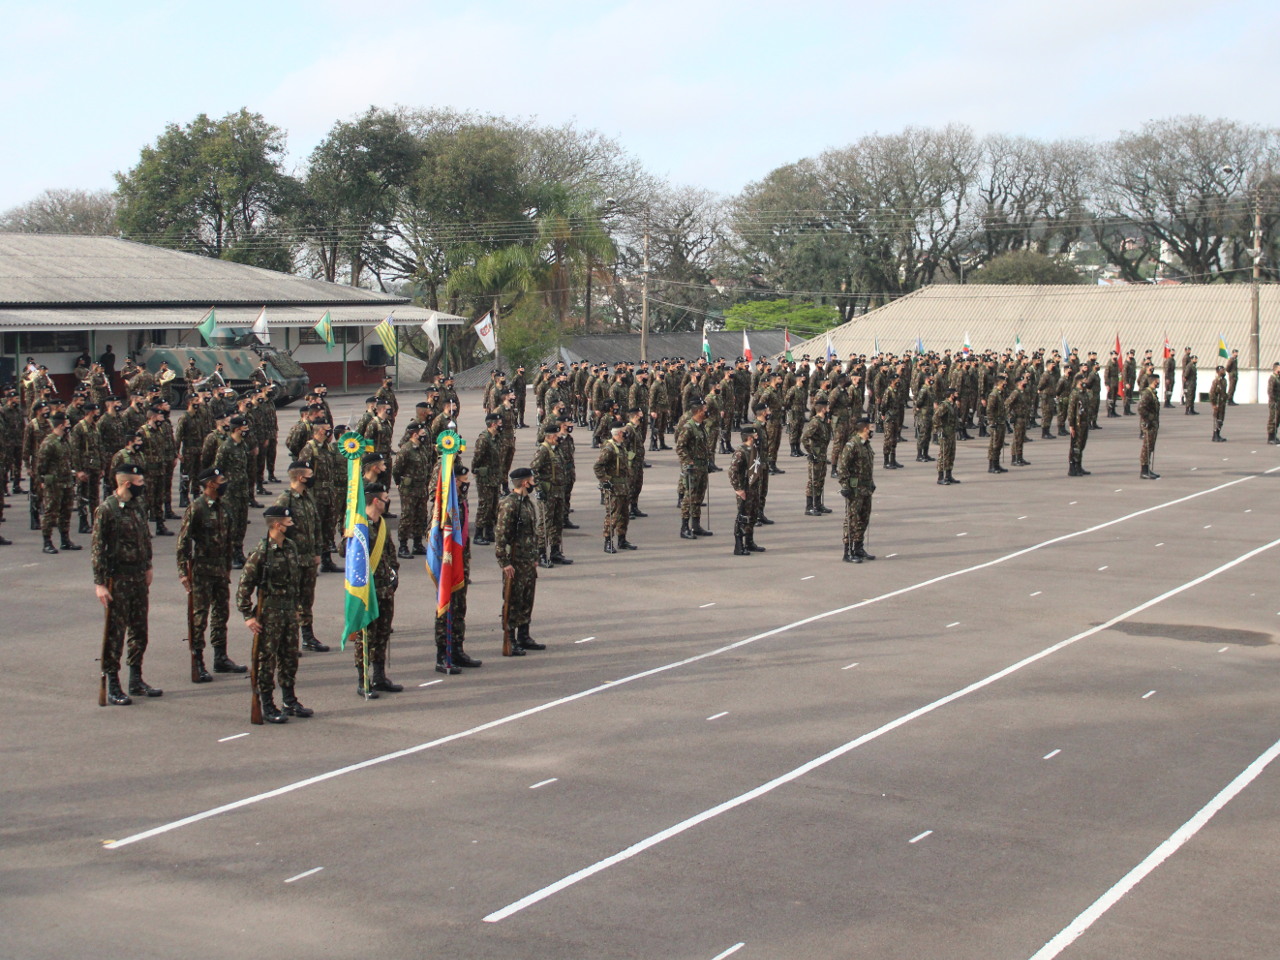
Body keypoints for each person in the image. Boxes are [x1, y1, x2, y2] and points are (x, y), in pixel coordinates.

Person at [92, 463, 159, 704]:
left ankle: (136, 678)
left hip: (138, 576)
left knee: (139, 631)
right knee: (115, 633)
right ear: (127, 483)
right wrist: (100, 583)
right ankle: (112, 682)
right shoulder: (107, 509)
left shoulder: (138, 505)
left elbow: (145, 537)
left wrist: (148, 565)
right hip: (117, 578)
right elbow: (98, 548)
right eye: (140, 483)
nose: (143, 487)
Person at [237, 505, 310, 723]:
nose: (291, 526)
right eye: (288, 523)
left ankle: (289, 699)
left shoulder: (290, 547)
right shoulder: (261, 552)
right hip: (269, 613)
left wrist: (297, 609)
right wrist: (248, 616)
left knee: (289, 658)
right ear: (277, 525)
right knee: (266, 660)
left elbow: (296, 581)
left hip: (288, 611)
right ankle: (267, 704)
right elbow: (244, 586)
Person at [177, 467, 248, 679]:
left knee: (221, 614)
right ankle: (197, 660)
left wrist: (227, 567)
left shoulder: (223, 507)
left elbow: (227, 541)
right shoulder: (196, 508)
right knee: (199, 617)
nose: (224, 482)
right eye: (221, 479)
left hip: (219, 569)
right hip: (201, 570)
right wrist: (183, 572)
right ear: (210, 484)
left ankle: (220, 657)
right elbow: (183, 542)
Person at [352, 483, 402, 696]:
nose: (387, 500)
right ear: (375, 501)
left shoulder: (381, 524)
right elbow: (348, 554)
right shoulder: (359, 526)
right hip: (367, 591)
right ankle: (363, 680)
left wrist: (393, 574)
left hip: (384, 589)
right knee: (366, 635)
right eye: (384, 497)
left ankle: (379, 676)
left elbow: (390, 553)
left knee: (382, 633)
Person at [276, 460, 328, 653]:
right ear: (300, 477)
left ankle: (307, 637)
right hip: (293, 559)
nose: (312, 477)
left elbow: (316, 525)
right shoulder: (285, 499)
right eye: (309, 474)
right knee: (291, 601)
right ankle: (288, 641)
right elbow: (277, 531)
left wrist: (317, 552)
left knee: (307, 600)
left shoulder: (308, 497)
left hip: (308, 558)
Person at [495, 467, 544, 655]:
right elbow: (501, 535)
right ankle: (511, 638)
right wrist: (504, 562)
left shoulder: (527, 502)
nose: (533, 483)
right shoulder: (510, 504)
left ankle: (524, 634)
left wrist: (534, 557)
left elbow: (532, 532)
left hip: (527, 559)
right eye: (531, 480)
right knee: (512, 599)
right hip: (514, 560)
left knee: (526, 598)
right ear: (525, 483)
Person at [36, 412, 82, 554]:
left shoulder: (65, 440)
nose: (69, 427)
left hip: (66, 482)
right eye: (67, 424)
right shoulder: (49, 442)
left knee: (66, 512)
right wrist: (43, 481)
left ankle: (65, 540)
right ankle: (47, 542)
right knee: (51, 513)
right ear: (61, 425)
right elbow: (41, 466)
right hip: (54, 484)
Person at [838, 418, 876, 563]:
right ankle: (847, 551)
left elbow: (867, 467)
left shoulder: (866, 445)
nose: (873, 430)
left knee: (864, 519)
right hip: (855, 489)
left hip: (866, 488)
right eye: (871, 427)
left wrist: (871, 483)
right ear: (865, 429)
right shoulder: (852, 445)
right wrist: (845, 486)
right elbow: (843, 467)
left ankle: (858, 547)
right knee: (852, 519)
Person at [593, 421, 635, 554]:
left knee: (624, 515)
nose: (625, 433)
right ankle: (608, 541)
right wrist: (605, 480)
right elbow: (598, 466)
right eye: (623, 431)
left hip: (624, 486)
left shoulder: (621, 446)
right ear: (618, 433)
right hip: (614, 488)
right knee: (612, 515)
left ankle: (622, 539)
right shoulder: (609, 448)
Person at [676, 397, 713, 539]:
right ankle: (684, 527)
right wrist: (688, 462)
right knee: (689, 497)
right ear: (698, 411)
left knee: (699, 496)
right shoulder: (688, 427)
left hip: (702, 466)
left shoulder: (701, 426)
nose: (707, 412)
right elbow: (680, 447)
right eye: (704, 410)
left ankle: (696, 525)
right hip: (693, 467)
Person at [729, 424, 766, 556]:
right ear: (749, 437)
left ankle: (749, 542)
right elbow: (733, 471)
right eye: (755, 435)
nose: (757, 437)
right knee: (743, 516)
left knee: (752, 515)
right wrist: (738, 488)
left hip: (753, 488)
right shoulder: (741, 451)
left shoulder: (753, 449)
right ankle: (739, 545)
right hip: (744, 488)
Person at [471, 413, 503, 545]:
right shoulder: (484, 439)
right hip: (485, 478)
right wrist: (476, 471)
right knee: (485, 505)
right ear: (493, 424)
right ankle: (478, 534)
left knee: (494, 505)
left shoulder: (497, 437)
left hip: (495, 477)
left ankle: (489, 532)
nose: (501, 424)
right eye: (499, 422)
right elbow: (477, 457)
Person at [800, 397, 832, 516]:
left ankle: (818, 504)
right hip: (816, 455)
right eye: (827, 407)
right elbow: (804, 438)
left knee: (820, 480)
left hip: (822, 455)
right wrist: (811, 452)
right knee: (813, 481)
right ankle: (809, 506)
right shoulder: (815, 422)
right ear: (823, 409)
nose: (829, 409)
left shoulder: (823, 421)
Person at [1138, 372, 1161, 480]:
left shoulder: (1153, 393)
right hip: (1149, 423)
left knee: (1150, 446)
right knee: (1146, 447)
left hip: (1153, 423)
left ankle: (1147, 468)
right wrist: (1149, 418)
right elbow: (1141, 408)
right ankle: (1144, 470)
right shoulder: (1147, 393)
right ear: (1154, 381)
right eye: (1158, 380)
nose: (1159, 382)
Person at [935, 388, 960, 485]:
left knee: (951, 454)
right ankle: (940, 477)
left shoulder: (952, 405)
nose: (957, 395)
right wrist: (939, 429)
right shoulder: (944, 405)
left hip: (951, 433)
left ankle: (948, 475)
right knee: (943, 454)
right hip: (945, 433)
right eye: (956, 393)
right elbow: (936, 417)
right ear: (951, 395)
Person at [1209, 365, 1229, 442]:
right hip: (1217, 403)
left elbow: (1224, 392)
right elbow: (1212, 393)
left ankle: (1218, 433)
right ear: (1218, 372)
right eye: (1222, 370)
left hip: (1222, 403)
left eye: (1224, 370)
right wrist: (1213, 404)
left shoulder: (1224, 381)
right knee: (1216, 419)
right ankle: (1215, 435)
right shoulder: (1216, 381)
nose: (1223, 372)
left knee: (1221, 419)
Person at [1267, 362, 1280, 445]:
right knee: (1273, 419)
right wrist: (1274, 401)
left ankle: (1274, 435)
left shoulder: (1278, 378)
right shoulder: (1273, 378)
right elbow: (1270, 391)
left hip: (1278, 401)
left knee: (1277, 419)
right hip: (1274, 402)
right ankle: (1270, 437)